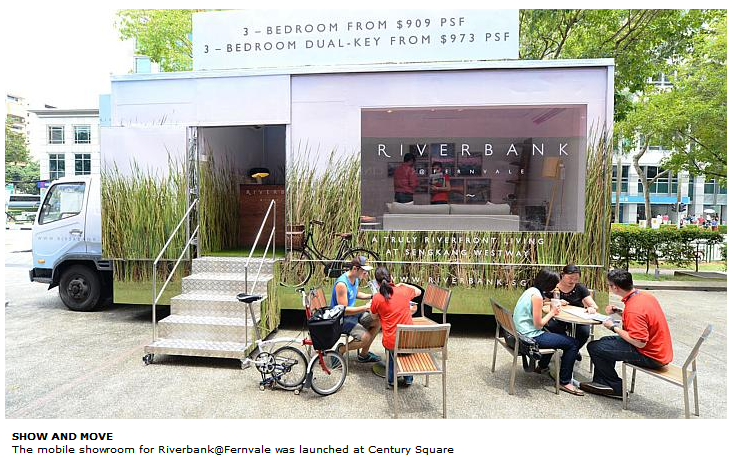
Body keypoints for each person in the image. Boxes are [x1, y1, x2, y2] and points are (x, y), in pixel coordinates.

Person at [580, 269, 673, 399]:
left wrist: (613, 327)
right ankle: (602, 381)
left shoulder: (634, 309)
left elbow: (639, 342)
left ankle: (615, 387)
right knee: (603, 342)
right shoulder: (644, 296)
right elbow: (642, 319)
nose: (609, 288)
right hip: (659, 349)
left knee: (595, 347)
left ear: (615, 287)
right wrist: (619, 312)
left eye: (609, 285)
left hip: (651, 356)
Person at [513, 268, 584, 395]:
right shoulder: (537, 297)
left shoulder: (531, 290)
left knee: (556, 334)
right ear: (548, 284)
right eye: (555, 284)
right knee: (573, 343)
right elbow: (538, 325)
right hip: (529, 337)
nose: (556, 286)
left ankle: (542, 366)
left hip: (520, 332)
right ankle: (565, 382)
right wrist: (552, 312)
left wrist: (550, 304)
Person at [368, 266, 421, 387]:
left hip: (392, 342)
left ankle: (391, 379)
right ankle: (408, 378)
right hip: (410, 341)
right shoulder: (403, 290)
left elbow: (373, 316)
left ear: (377, 283)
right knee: (403, 344)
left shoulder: (377, 297)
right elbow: (419, 291)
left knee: (391, 344)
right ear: (391, 277)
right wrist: (403, 284)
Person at [330, 256, 381, 363]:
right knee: (365, 337)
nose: (366, 273)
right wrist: (365, 307)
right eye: (364, 270)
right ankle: (340, 350)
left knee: (378, 321)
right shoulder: (342, 284)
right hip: (341, 319)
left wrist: (372, 296)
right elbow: (344, 310)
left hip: (352, 315)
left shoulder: (355, 279)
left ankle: (364, 355)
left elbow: (356, 294)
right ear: (354, 269)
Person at [543, 264, 599, 358]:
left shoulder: (580, 288)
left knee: (584, 333)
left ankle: (572, 351)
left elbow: (594, 306)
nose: (572, 281)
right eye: (570, 278)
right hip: (557, 316)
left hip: (577, 317)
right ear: (562, 275)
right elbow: (544, 303)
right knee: (552, 327)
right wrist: (556, 302)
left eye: (576, 279)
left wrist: (591, 308)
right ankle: (569, 347)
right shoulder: (554, 287)